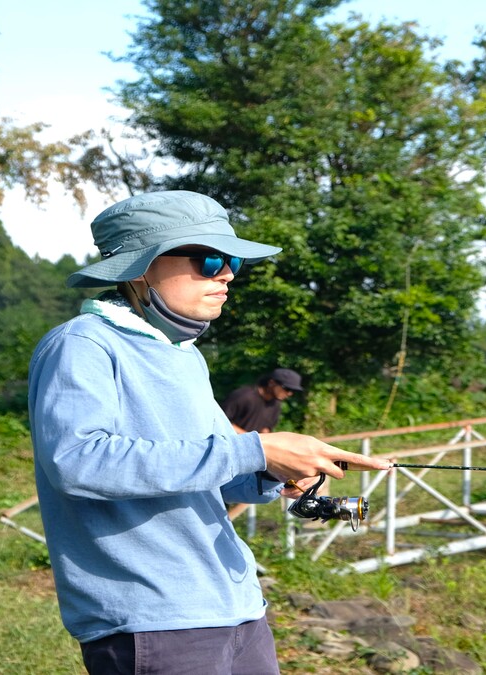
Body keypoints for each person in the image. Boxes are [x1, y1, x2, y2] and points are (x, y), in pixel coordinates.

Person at [27, 190, 391, 674]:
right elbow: (77, 462)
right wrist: (254, 449)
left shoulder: (185, 355)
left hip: (237, 607)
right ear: (139, 267)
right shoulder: (82, 345)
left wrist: (272, 470)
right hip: (154, 620)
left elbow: (224, 472)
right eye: (208, 258)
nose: (227, 273)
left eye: (233, 259)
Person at [221, 368, 304, 434]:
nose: (289, 393)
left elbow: (266, 430)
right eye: (287, 388)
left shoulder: (275, 404)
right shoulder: (244, 396)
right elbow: (221, 423)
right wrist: (248, 438)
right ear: (271, 382)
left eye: (292, 391)